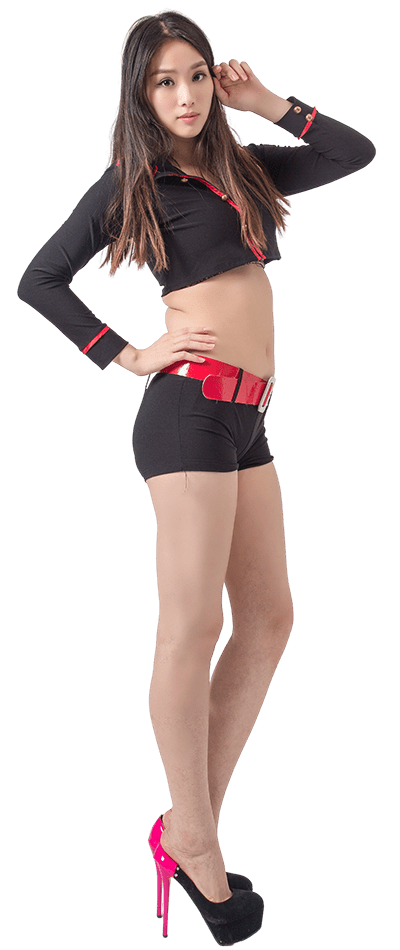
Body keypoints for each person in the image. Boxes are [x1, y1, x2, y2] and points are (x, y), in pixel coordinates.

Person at [16, 9, 376, 945]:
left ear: (217, 79)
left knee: (271, 618)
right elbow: (41, 278)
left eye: (197, 76)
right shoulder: (134, 181)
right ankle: (200, 852)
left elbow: (354, 153)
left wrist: (267, 101)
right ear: (140, 94)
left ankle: (185, 827)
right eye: (164, 81)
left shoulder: (242, 168)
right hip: (187, 410)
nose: (184, 96)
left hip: (248, 414)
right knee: (193, 626)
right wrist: (130, 353)